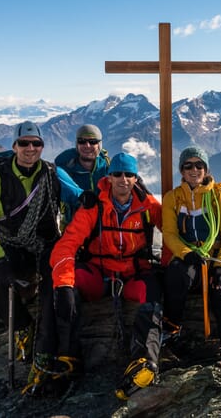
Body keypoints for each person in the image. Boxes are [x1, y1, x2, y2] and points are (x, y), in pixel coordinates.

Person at [0, 120, 83, 395]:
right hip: (9, 244)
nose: (30, 149)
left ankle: (45, 349)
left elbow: (78, 196)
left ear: (42, 147)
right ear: (14, 146)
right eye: (24, 143)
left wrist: (92, 199)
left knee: (53, 285)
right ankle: (23, 326)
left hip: (46, 243)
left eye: (36, 144)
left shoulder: (52, 173)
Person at [49, 152, 164, 400]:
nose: (123, 179)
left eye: (129, 174)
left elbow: (173, 234)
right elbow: (66, 246)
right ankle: (67, 357)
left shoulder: (149, 206)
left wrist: (170, 263)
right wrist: (64, 284)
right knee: (69, 285)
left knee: (151, 295)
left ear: (136, 178)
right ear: (109, 178)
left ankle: (143, 363)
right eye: (117, 174)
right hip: (99, 275)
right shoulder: (94, 207)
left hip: (134, 275)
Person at [161, 146, 221, 388]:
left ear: (206, 169)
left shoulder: (219, 196)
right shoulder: (172, 198)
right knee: (177, 277)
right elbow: (170, 233)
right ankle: (171, 328)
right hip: (191, 257)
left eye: (199, 165)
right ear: (181, 171)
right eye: (188, 165)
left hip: (217, 257)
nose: (194, 169)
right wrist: (186, 254)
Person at [54, 124, 109, 224]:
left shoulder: (108, 169)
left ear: (99, 145)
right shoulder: (64, 170)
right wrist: (81, 197)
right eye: (82, 141)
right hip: (74, 227)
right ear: (77, 145)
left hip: (105, 228)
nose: (87, 145)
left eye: (92, 142)